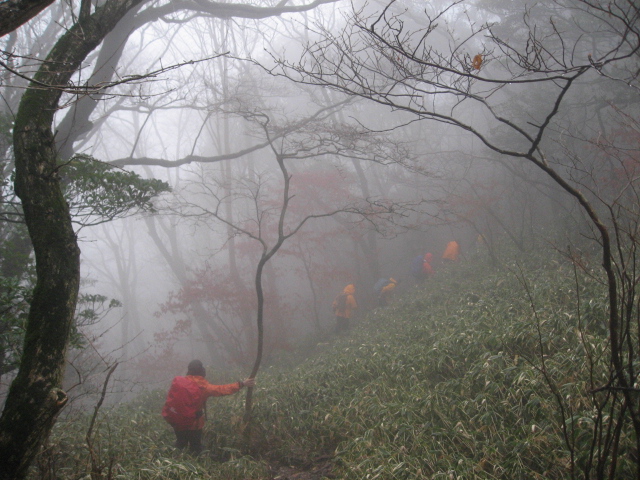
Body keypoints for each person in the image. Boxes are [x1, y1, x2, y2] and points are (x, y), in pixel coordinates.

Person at [162, 359, 256, 453]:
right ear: (202, 371)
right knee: (195, 447)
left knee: (180, 443)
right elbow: (222, 390)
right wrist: (242, 384)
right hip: (194, 424)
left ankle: (174, 461)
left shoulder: (179, 382)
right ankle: (195, 463)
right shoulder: (204, 387)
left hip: (177, 420)